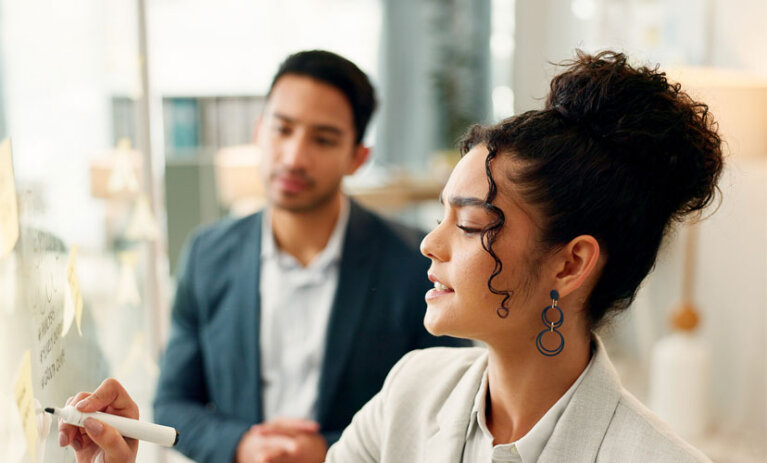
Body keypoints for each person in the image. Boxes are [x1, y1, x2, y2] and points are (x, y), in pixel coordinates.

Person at [61, 50, 722, 462]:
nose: (430, 243)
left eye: (467, 224)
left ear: (569, 264)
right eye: (438, 215)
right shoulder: (411, 392)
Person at [149, 50, 467, 463]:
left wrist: (332, 450)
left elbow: (447, 412)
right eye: (282, 129)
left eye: (323, 139)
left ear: (357, 157)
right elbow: (172, 404)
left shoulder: (416, 264)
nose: (294, 157)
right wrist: (242, 445)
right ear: (259, 131)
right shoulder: (207, 255)